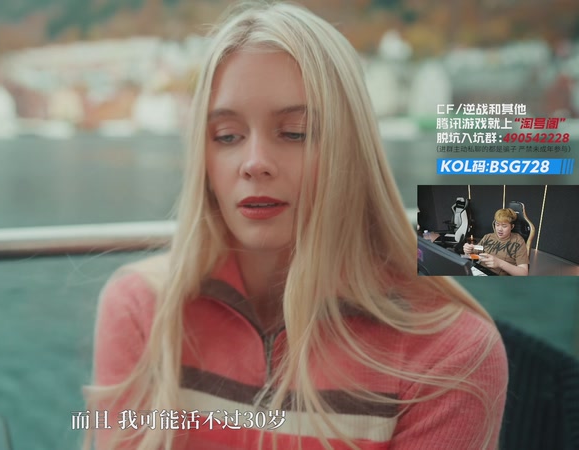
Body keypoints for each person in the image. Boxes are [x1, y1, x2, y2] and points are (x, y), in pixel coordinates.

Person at [84, 3, 508, 449]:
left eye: (294, 132)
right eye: (227, 136)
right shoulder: (143, 311)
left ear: (352, 151)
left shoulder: (451, 356)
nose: (255, 163)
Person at [463, 208, 529, 276]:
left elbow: (523, 273)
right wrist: (468, 251)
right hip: (480, 272)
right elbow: (473, 256)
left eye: (504, 226)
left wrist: (500, 263)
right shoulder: (488, 237)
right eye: (497, 225)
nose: (499, 229)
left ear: (512, 226)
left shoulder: (518, 241)